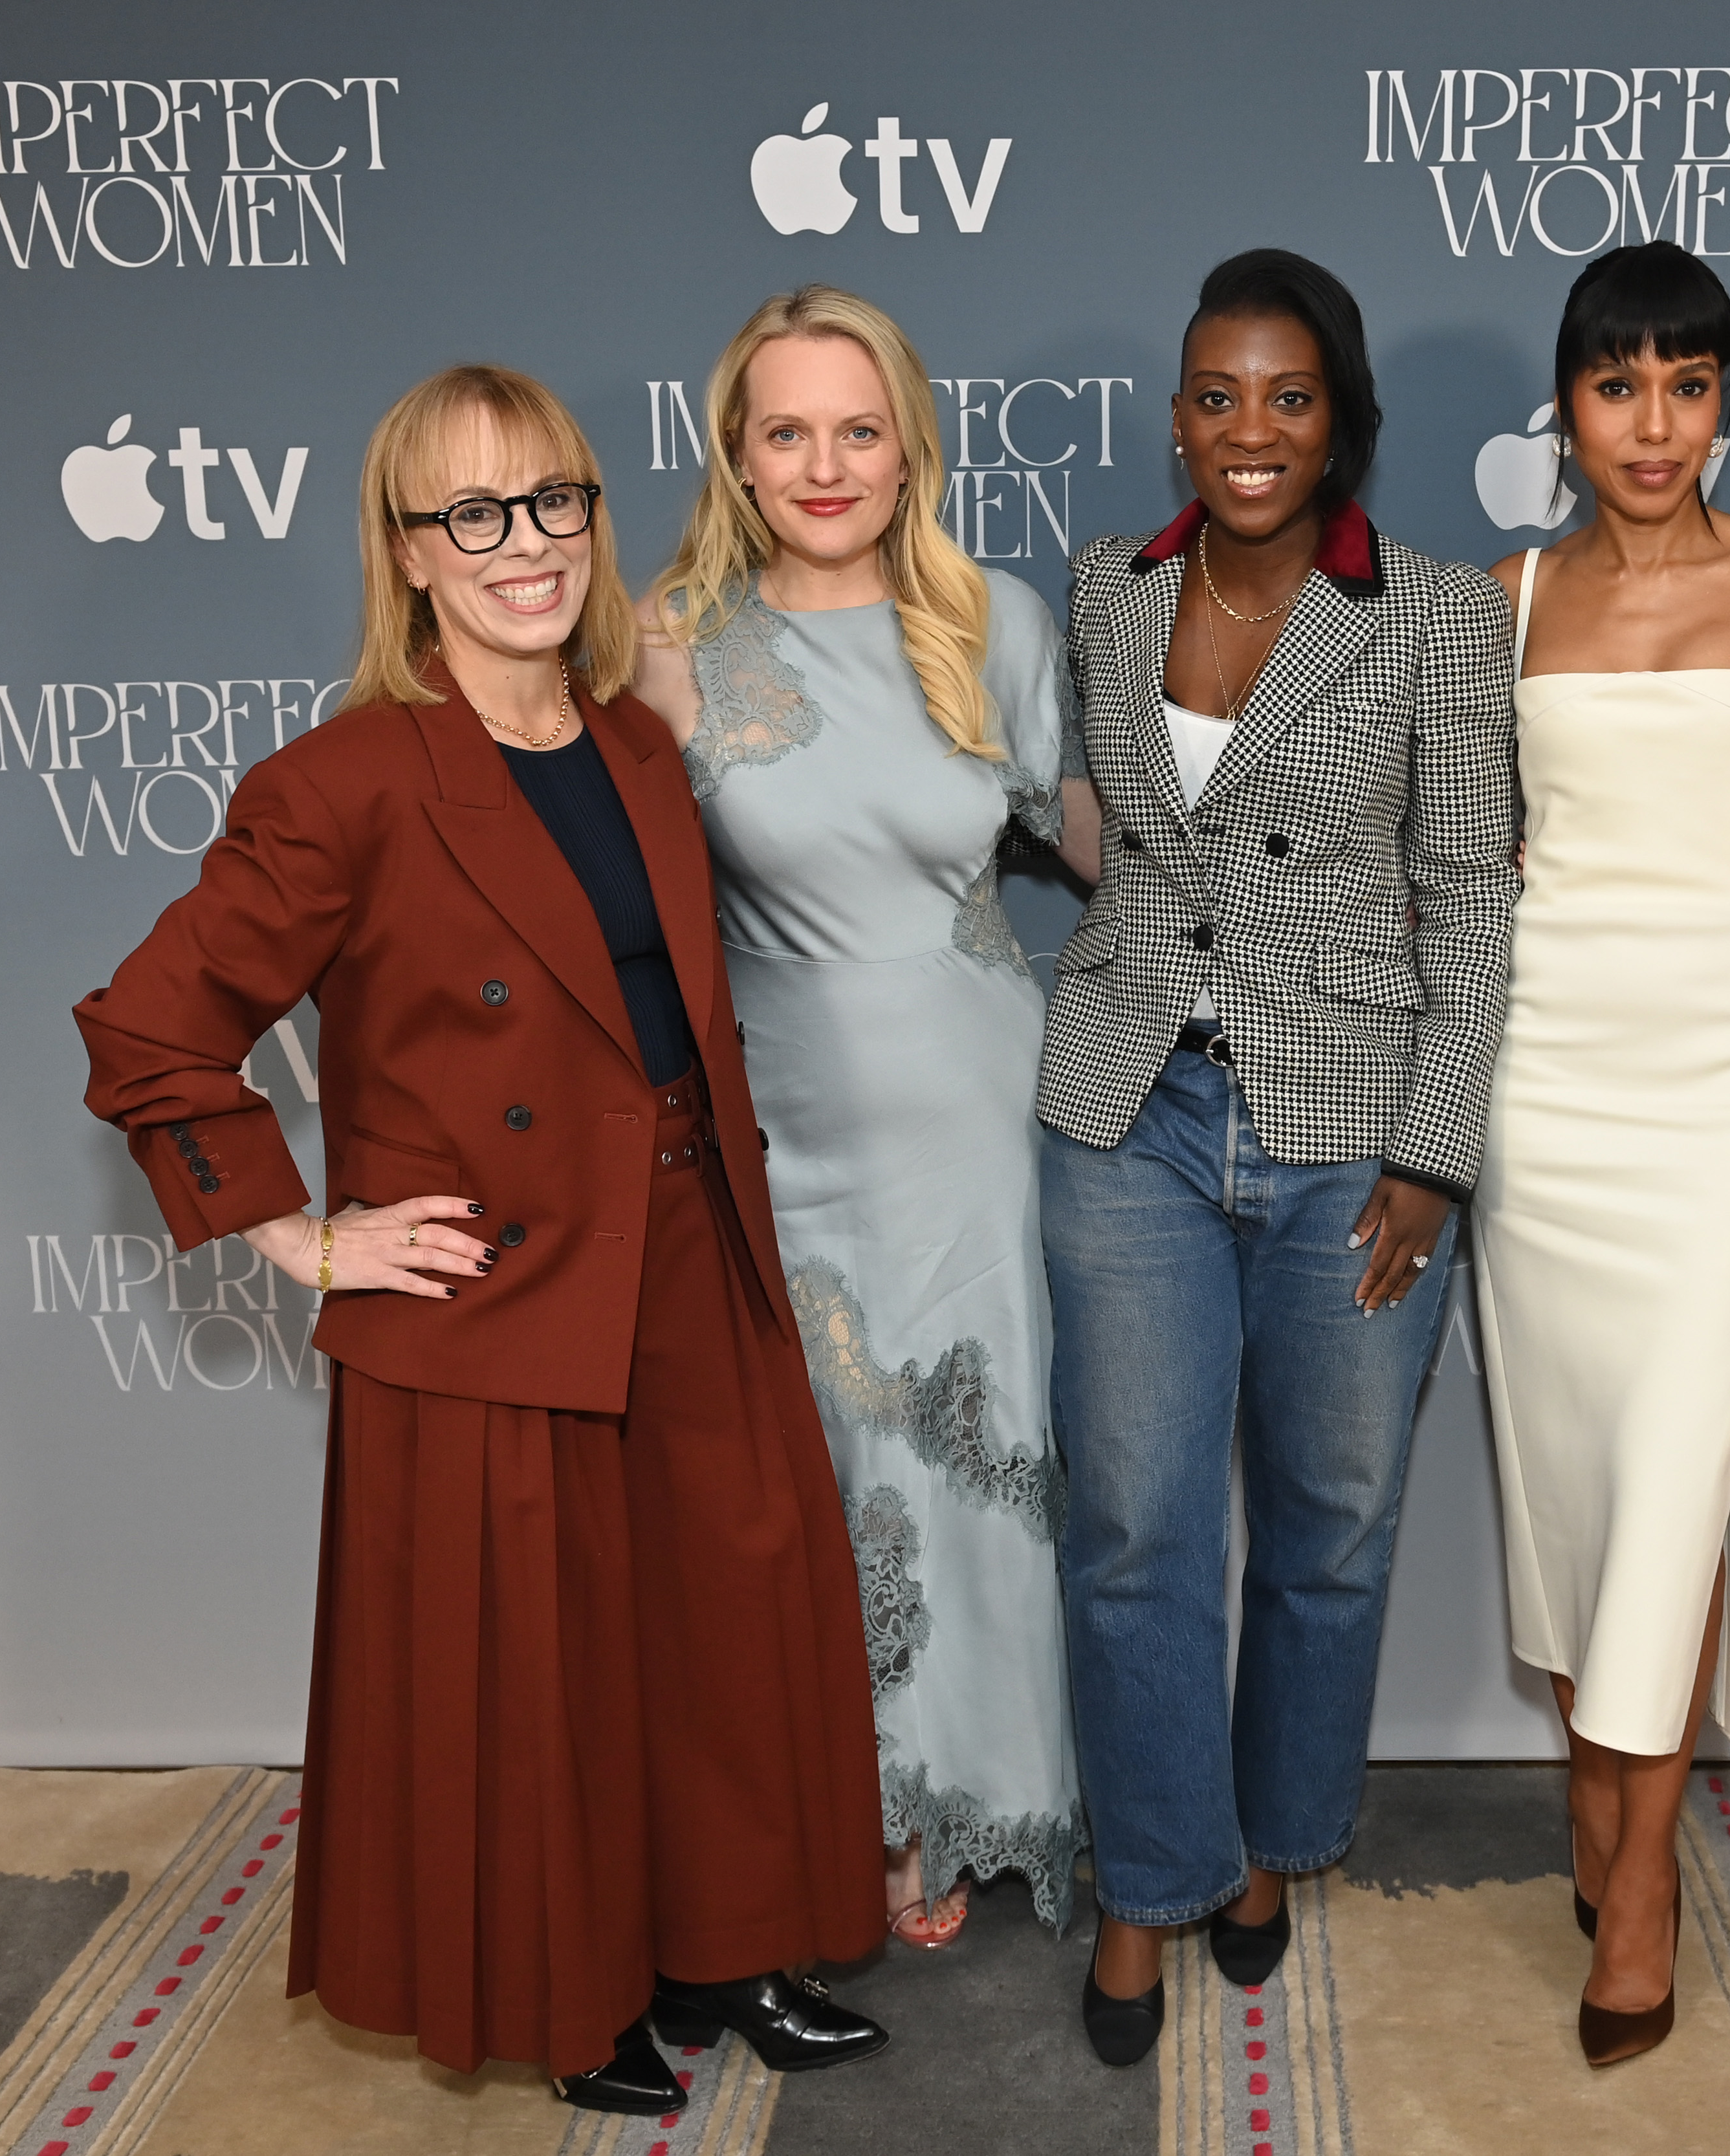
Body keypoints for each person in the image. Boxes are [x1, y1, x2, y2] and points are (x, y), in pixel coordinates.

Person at [74, 365, 892, 2117]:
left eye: (554, 502)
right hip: (501, 1284)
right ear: (409, 553)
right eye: (475, 513)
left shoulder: (637, 745)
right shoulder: (350, 779)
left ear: (595, 519)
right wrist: (301, 1233)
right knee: (545, 1665)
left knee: (729, 1618)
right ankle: (580, 1992)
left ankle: (727, 1944)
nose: (523, 545)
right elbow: (150, 1027)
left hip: (697, 1247)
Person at [1042, 248, 1517, 2065]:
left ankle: (1271, 1845)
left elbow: (1474, 905)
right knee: (1136, 1524)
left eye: (1290, 396)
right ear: (1178, 416)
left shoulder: (1439, 616)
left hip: (1354, 1142)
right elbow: (1094, 825)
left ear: (1342, 419)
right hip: (1129, 1113)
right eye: (1220, 396)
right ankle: (1153, 1881)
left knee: (1330, 1523)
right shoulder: (1103, 590)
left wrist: (1435, 1159)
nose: (1253, 430)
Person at [635, 285, 1084, 1950]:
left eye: (858, 428)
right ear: (738, 457)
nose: (825, 464)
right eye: (785, 432)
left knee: (983, 1466)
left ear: (910, 444)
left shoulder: (997, 622)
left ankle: (977, 1796)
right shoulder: (667, 636)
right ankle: (859, 1801)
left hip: (979, 1125)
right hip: (782, 1143)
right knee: (827, 1486)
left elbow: (1109, 848)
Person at [1473, 241, 1730, 2066]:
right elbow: (1473, 848)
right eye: (1618, 385)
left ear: (1724, 399)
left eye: (1687, 384)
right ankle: (1594, 1793)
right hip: (1544, 1084)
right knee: (1571, 1478)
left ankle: (1644, 1881)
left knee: (1684, 1458)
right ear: (1569, 405)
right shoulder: (1503, 597)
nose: (1653, 422)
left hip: (1722, 1082)